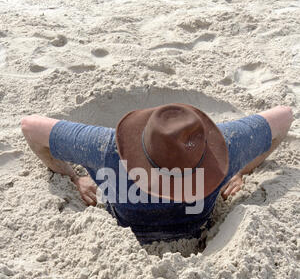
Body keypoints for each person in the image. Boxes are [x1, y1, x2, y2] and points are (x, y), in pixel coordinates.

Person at [21, 103, 293, 244]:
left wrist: (73, 177)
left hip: (128, 228)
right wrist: (242, 171)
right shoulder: (228, 148)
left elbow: (30, 127)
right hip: (195, 228)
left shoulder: (104, 148)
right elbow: (285, 116)